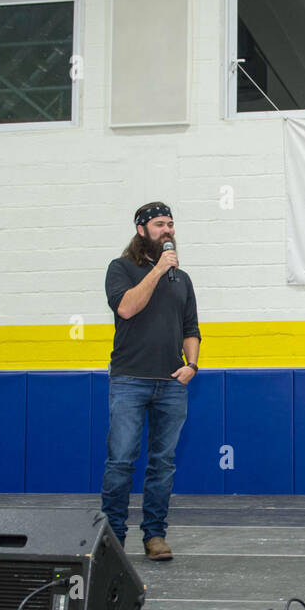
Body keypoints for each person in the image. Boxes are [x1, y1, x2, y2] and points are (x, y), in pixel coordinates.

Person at [101, 201, 201, 561]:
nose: (168, 230)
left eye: (171, 224)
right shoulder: (121, 268)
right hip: (130, 380)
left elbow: (191, 329)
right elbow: (126, 308)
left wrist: (192, 364)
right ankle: (111, 538)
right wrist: (158, 270)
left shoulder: (183, 279)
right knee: (122, 461)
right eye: (160, 224)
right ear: (141, 230)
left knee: (163, 463)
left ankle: (154, 536)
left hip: (172, 384)